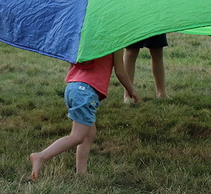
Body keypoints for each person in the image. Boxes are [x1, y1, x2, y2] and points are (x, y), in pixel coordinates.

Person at [29, 51, 139, 181]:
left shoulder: (84, 38)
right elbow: (120, 71)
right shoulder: (114, 42)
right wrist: (131, 90)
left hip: (73, 87)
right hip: (85, 92)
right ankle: (40, 156)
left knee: (89, 133)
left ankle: (81, 172)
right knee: (78, 136)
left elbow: (72, 64)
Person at [123, 34, 169, 100]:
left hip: (154, 23)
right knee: (131, 52)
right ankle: (128, 95)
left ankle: (161, 93)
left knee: (157, 51)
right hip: (134, 24)